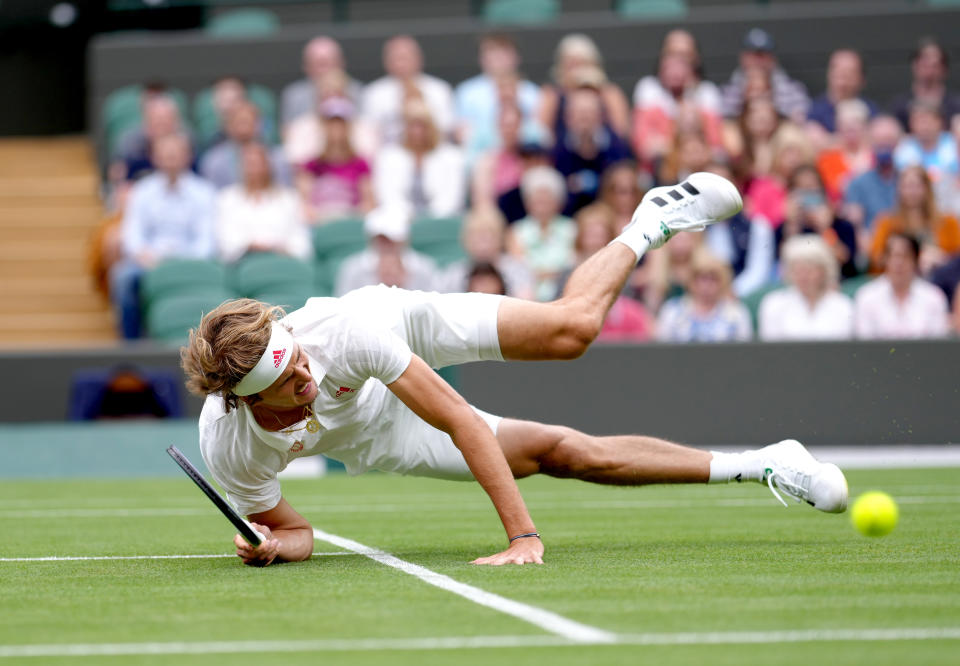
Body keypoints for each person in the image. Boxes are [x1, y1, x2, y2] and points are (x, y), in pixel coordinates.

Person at [180, 171, 849, 568]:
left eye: (301, 362)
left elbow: (461, 419)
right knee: (563, 452)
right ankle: (765, 462)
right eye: (292, 385)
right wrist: (271, 550)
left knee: (572, 331)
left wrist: (522, 537)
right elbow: (296, 534)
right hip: (378, 438)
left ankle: (651, 220)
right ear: (249, 402)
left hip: (398, 328)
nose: (307, 379)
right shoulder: (231, 448)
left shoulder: (342, 336)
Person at [111, 134, 217, 339]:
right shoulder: (142, 191)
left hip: (192, 263)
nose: (170, 160)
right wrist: (149, 257)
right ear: (155, 158)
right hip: (148, 262)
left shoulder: (204, 192)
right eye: (165, 155)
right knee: (122, 277)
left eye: (175, 155)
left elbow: (206, 243)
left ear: (187, 157)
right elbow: (132, 237)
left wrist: (179, 262)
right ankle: (131, 344)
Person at [631, 30, 723, 167]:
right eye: (672, 54)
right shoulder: (648, 88)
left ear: (696, 59)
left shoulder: (707, 92)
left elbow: (716, 147)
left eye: (685, 55)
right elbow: (643, 146)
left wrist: (666, 144)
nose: (677, 61)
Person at [216, 143, 311, 264]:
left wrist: (278, 248)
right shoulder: (227, 199)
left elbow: (301, 242)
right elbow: (226, 242)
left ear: (268, 165)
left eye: (258, 163)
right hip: (242, 264)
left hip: (283, 262)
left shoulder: (289, 198)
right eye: (249, 164)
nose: (254, 169)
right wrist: (251, 246)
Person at [454, 33, 541, 164]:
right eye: (492, 52)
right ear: (482, 58)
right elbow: (462, 134)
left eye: (504, 52)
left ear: (516, 57)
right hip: (481, 158)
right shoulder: (467, 92)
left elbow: (538, 133)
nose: (498, 58)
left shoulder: (532, 93)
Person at [372, 98, 466, 218]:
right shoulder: (389, 157)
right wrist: (408, 217)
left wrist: (430, 220)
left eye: (422, 126)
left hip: (440, 221)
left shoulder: (452, 157)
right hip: (399, 221)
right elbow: (388, 197)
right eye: (412, 126)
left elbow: (451, 199)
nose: (417, 132)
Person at [537, 33, 631, 145]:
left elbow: (621, 131)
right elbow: (541, 134)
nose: (576, 70)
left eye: (581, 63)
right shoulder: (551, 95)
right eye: (571, 64)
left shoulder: (610, 93)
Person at [361, 35, 455, 146]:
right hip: (389, 153)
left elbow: (447, 128)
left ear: (419, 58)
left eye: (405, 58)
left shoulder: (439, 89)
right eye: (396, 58)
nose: (401, 64)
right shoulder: (374, 93)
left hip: (432, 152)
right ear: (386, 61)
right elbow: (368, 132)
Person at [552, 86, 633, 215]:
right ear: (567, 118)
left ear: (601, 117)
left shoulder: (617, 148)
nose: (584, 119)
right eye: (579, 114)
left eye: (589, 113)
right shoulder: (557, 152)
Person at [758, 234, 854, 341]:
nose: (803, 276)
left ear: (824, 270)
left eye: (809, 269)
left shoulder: (843, 306)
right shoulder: (773, 304)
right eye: (797, 270)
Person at [854, 233, 950, 339]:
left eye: (905, 256)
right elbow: (864, 345)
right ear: (884, 259)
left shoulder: (934, 297)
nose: (899, 262)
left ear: (916, 260)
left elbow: (937, 345)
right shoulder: (866, 296)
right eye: (893, 256)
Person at [869, 165, 960, 275]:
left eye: (917, 186)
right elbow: (876, 258)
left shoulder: (948, 222)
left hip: (939, 280)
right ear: (899, 189)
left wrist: (941, 258)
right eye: (907, 186)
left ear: (927, 188)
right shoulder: (887, 223)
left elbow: (956, 257)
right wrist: (900, 258)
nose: (912, 192)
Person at [297, 97, 375, 224]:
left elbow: (368, 202)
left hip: (350, 224)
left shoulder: (360, 164)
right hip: (320, 226)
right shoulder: (311, 165)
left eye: (340, 124)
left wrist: (349, 217)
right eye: (331, 124)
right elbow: (304, 203)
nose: (336, 129)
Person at [333, 204, 437, 296]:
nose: (386, 245)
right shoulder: (352, 269)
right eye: (381, 239)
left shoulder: (424, 268)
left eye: (392, 239)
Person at [777, 164, 859, 279]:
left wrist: (824, 229)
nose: (806, 195)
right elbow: (783, 262)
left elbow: (844, 260)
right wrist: (792, 225)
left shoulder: (842, 225)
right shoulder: (785, 228)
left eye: (811, 188)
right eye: (801, 189)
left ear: (822, 191)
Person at [507, 166, 577, 301]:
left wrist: (542, 274)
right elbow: (518, 270)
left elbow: (574, 266)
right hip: (527, 296)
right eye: (537, 200)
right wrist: (553, 273)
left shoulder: (571, 228)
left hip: (565, 293)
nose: (542, 205)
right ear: (528, 202)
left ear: (558, 202)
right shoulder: (517, 231)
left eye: (547, 200)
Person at [656, 248, 752, 343]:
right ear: (691, 281)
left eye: (712, 279)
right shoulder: (672, 311)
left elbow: (744, 351)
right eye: (701, 279)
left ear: (722, 282)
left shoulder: (736, 313)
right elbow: (662, 349)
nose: (706, 285)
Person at [437, 208, 535, 299]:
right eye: (476, 237)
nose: (482, 244)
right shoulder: (455, 273)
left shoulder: (517, 270)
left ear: (500, 238)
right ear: (466, 240)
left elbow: (526, 304)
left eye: (488, 236)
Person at [720, 28, 809, 124]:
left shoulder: (793, 90)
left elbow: (802, 120)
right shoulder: (727, 91)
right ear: (743, 57)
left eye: (762, 55)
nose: (758, 61)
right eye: (753, 55)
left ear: (772, 59)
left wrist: (769, 106)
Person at [199, 101, 290, 190]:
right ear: (228, 127)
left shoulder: (278, 158)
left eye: (248, 122)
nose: (244, 128)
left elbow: (283, 193)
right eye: (239, 122)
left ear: (259, 124)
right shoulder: (214, 161)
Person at [280, 36, 363, 127]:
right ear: (306, 67)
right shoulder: (294, 96)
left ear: (341, 63)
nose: (325, 71)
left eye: (329, 63)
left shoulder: (358, 91)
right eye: (319, 64)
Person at [843, 115, 902, 233]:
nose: (884, 146)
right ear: (870, 143)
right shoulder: (857, 183)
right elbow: (855, 224)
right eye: (879, 141)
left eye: (888, 140)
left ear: (897, 143)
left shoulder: (908, 180)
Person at [889, 37, 960, 131]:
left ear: (944, 69)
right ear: (914, 66)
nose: (929, 70)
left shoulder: (956, 104)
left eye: (935, 65)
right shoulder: (899, 105)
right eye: (925, 64)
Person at [806, 49, 877, 140]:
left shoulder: (869, 109)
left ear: (862, 79)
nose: (843, 79)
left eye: (850, 73)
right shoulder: (816, 110)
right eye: (838, 71)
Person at [815, 99, 874, 204]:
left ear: (865, 126)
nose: (850, 127)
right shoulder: (827, 159)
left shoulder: (875, 157)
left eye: (856, 122)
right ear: (838, 127)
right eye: (844, 123)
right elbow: (826, 192)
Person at [893, 100, 959, 183]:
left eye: (928, 121)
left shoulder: (955, 143)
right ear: (911, 124)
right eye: (919, 121)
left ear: (940, 121)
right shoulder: (903, 149)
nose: (924, 126)